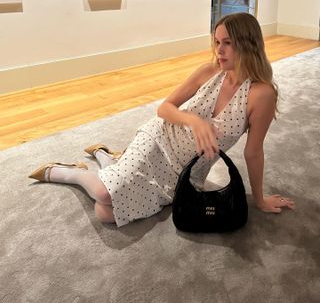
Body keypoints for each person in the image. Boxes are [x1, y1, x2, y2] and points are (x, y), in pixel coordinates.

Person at [29, 13, 295, 227]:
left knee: (106, 215)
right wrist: (194, 121)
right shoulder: (209, 71)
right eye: (216, 42)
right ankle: (70, 172)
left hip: (188, 170)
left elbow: (254, 151)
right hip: (159, 139)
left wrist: (259, 199)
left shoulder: (261, 94)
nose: (219, 50)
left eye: (227, 43)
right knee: (104, 195)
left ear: (247, 43)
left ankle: (108, 159)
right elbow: (165, 108)